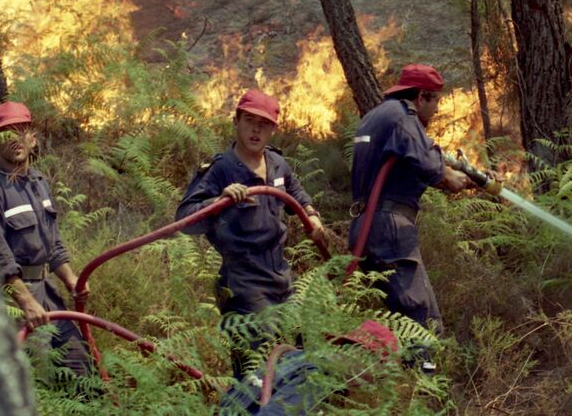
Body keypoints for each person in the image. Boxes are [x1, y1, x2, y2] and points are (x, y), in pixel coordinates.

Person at [176, 89, 326, 377]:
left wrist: (311, 215)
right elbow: (184, 219)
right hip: (242, 281)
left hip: (281, 276)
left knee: (301, 350)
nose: (256, 129)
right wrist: (217, 201)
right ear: (236, 122)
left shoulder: (277, 164)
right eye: (249, 120)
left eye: (264, 124)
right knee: (256, 364)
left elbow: (296, 192)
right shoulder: (220, 169)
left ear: (273, 130)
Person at [348, 64, 469, 336]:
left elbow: (403, 166)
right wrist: (455, 177)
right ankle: (424, 372)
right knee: (420, 319)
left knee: (400, 321)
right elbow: (432, 167)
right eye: (436, 100)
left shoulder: (374, 116)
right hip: (389, 228)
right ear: (422, 97)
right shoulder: (403, 117)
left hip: (365, 227)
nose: (437, 110)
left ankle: (400, 374)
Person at [0, 101, 92, 376]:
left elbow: (53, 244)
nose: (16, 139)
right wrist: (26, 302)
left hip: (47, 293)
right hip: (13, 299)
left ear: (33, 139)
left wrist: (71, 280)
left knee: (79, 367)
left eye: (21, 130)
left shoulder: (39, 183)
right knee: (36, 377)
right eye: (7, 132)